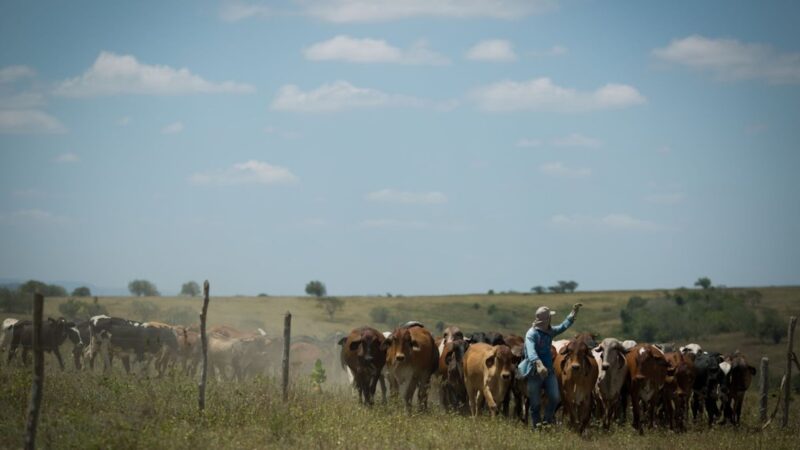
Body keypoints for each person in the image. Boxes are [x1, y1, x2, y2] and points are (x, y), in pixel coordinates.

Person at [517, 302, 583, 429]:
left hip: (549, 372)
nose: (552, 319)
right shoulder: (531, 334)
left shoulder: (550, 332)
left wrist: (572, 314)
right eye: (550, 317)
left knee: (555, 397)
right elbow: (531, 351)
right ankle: (536, 426)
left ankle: (547, 421)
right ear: (546, 319)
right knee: (535, 403)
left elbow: (563, 326)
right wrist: (538, 364)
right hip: (534, 372)